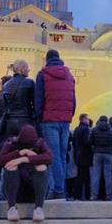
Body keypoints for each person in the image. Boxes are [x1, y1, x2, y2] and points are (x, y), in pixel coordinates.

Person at [35, 49, 76, 200]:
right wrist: (69, 115)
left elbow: (39, 98)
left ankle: (57, 189)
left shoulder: (43, 74)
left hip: (49, 120)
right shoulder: (69, 76)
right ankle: (60, 188)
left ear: (47, 60)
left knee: (53, 155)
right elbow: (73, 100)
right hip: (65, 121)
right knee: (62, 156)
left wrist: (39, 117)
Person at [0, 125, 52, 222]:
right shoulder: (12, 142)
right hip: (15, 191)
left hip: (34, 191)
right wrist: (19, 153)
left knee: (41, 166)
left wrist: (24, 159)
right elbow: (0, 160)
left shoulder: (40, 143)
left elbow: (49, 157)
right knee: (11, 166)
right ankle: (11, 208)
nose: (30, 150)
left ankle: (38, 208)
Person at [89, 115, 112, 201]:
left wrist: (94, 148)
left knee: (96, 175)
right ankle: (108, 195)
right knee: (108, 175)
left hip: (97, 153)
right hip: (108, 154)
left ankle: (94, 195)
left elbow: (90, 141)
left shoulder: (94, 130)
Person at [72, 113, 93, 200]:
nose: (88, 120)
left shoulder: (76, 129)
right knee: (86, 177)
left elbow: (74, 143)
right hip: (85, 155)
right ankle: (87, 195)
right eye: (87, 119)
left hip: (78, 155)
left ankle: (77, 195)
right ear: (83, 119)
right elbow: (87, 142)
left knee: (80, 176)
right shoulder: (86, 129)